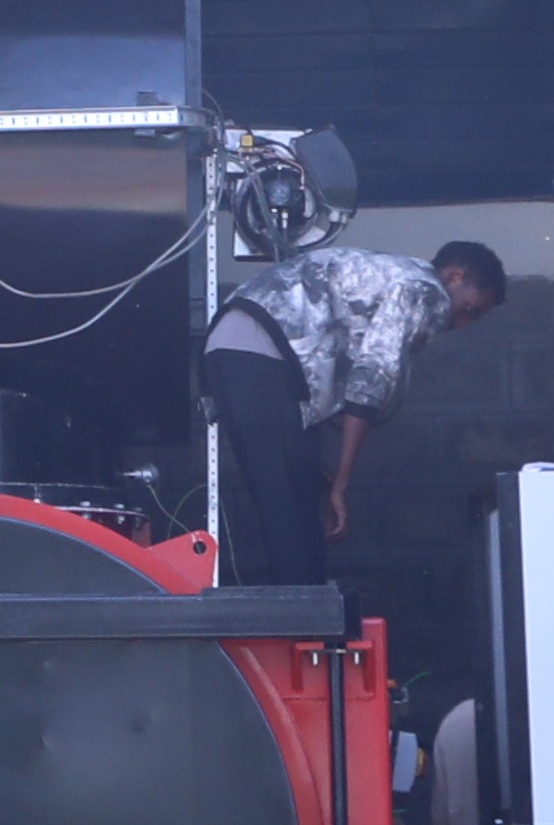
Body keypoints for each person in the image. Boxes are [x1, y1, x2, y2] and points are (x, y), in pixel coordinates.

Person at [200, 238, 505, 586]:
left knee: (294, 497)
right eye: (470, 310)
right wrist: (341, 487)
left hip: (246, 347)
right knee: (289, 510)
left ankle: (306, 609)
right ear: (453, 276)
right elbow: (370, 381)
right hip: (261, 352)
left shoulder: (392, 275)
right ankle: (302, 622)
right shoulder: (423, 289)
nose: (462, 324)